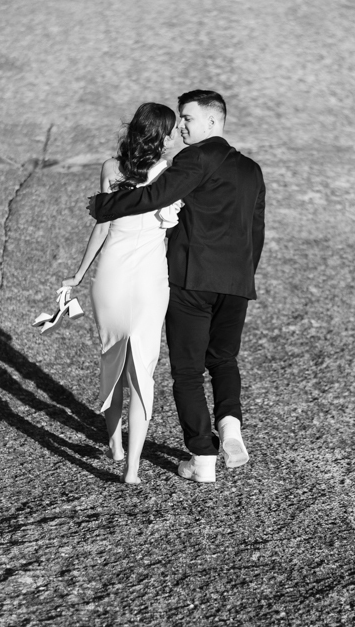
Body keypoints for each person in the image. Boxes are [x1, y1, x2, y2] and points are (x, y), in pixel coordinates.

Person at [89, 90, 265, 484]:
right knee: (224, 359)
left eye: (187, 118)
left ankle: (203, 458)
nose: (181, 126)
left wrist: (103, 206)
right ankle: (230, 426)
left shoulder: (194, 158)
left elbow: (156, 195)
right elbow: (257, 229)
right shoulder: (252, 170)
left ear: (212, 121)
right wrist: (243, 277)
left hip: (191, 280)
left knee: (187, 372)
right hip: (236, 283)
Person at [62, 102, 183, 484]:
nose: (174, 137)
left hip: (111, 276)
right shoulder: (171, 173)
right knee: (141, 370)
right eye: (171, 131)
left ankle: (115, 444)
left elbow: (102, 224)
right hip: (149, 280)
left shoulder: (111, 169)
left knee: (112, 359)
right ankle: (132, 469)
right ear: (159, 135)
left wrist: (79, 273)